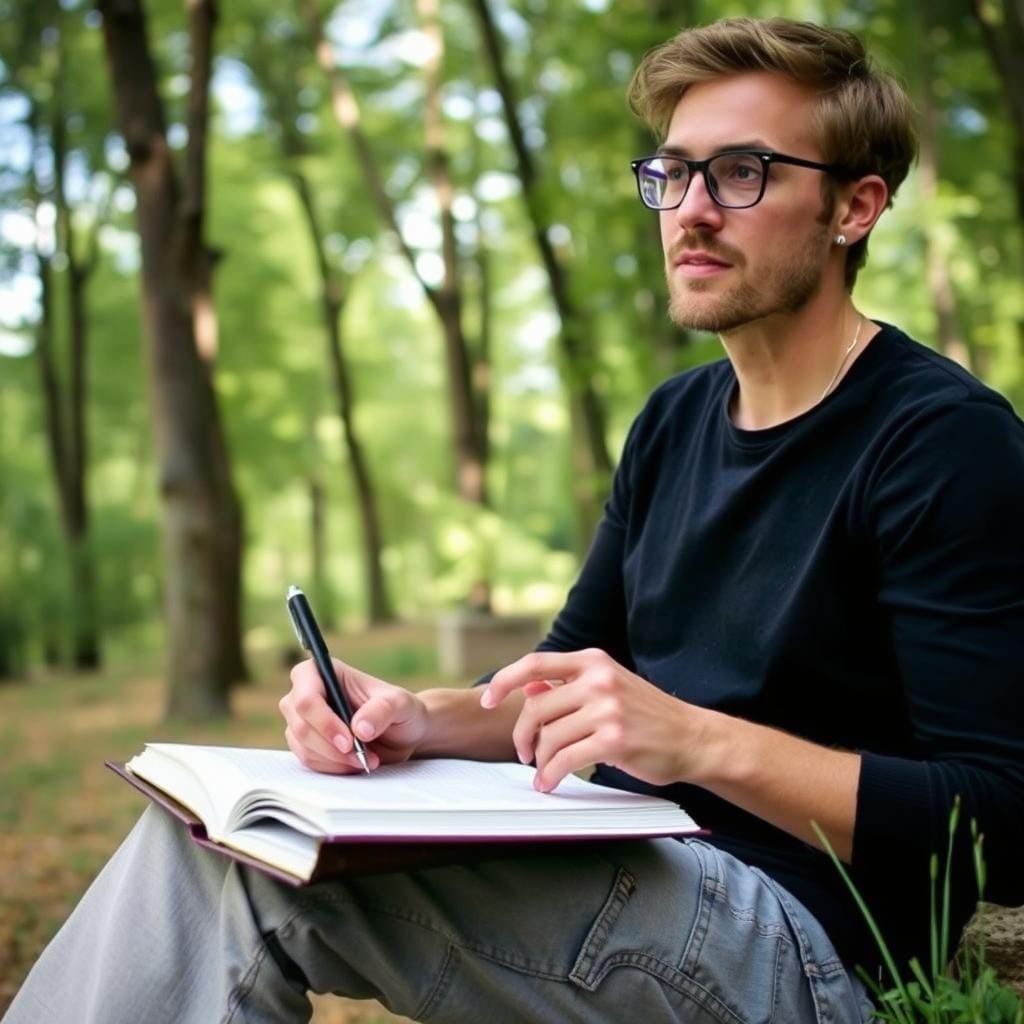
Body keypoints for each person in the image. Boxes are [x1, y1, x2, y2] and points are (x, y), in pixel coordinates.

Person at [5, 16, 1024, 1024]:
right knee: (216, 841)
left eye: (743, 173)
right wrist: (413, 717)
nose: (691, 211)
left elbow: (1002, 819)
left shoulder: (941, 442)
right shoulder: (673, 422)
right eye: (672, 173)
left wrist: (698, 742)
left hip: (807, 946)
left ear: (854, 207)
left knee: (261, 878)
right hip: (629, 855)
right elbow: (558, 674)